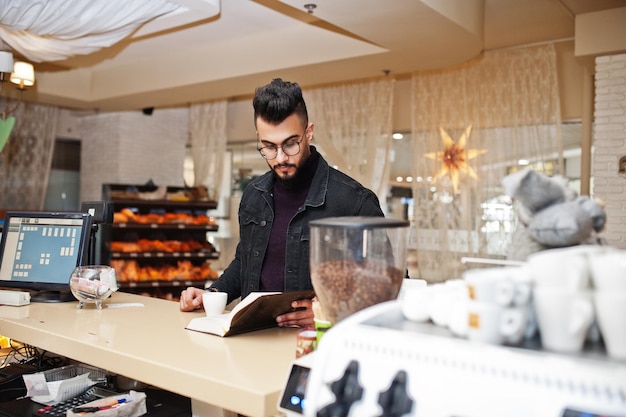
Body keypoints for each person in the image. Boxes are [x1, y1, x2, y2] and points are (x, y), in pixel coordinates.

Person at [180, 78, 385, 327]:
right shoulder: (253, 194)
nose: (280, 158)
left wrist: (329, 311)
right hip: (251, 339)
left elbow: (388, 285)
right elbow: (245, 262)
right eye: (268, 146)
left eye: (290, 144)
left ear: (309, 132)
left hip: (315, 346)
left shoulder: (354, 202)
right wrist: (213, 294)